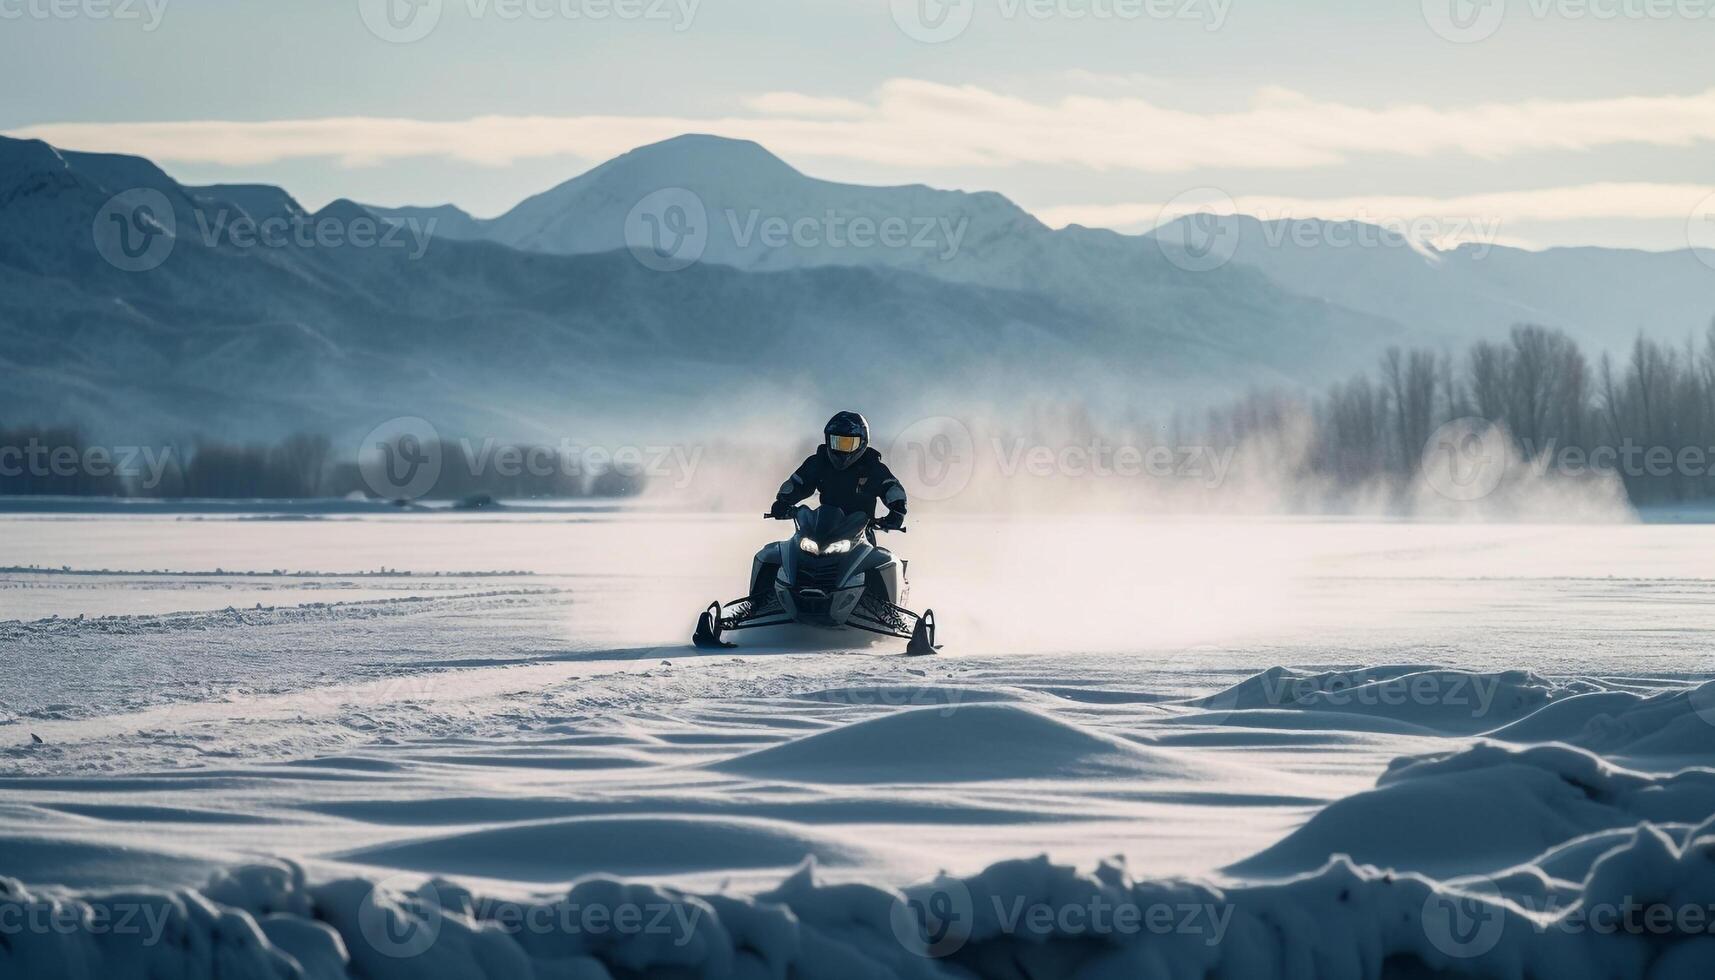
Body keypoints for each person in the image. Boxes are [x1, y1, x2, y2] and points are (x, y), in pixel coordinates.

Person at [769, 412, 908, 531]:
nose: (842, 449)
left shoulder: (871, 466)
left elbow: (891, 487)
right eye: (837, 442)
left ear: (862, 443)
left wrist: (897, 512)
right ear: (828, 441)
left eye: (849, 444)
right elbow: (799, 482)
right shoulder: (819, 462)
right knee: (777, 553)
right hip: (822, 530)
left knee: (881, 560)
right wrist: (783, 501)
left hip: (861, 534)